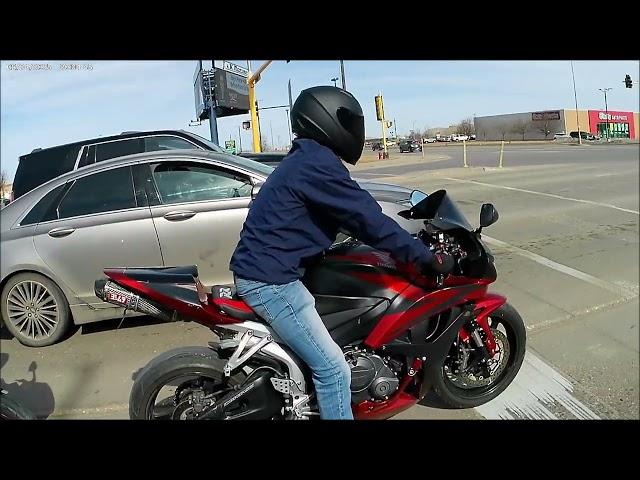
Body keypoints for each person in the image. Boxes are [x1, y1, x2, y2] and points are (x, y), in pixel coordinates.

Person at [230, 86, 453, 420]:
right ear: (329, 119)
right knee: (333, 370)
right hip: (271, 282)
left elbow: (345, 213)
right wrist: (422, 255)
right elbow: (367, 218)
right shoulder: (317, 165)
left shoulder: (306, 158)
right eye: (349, 121)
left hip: (267, 269)